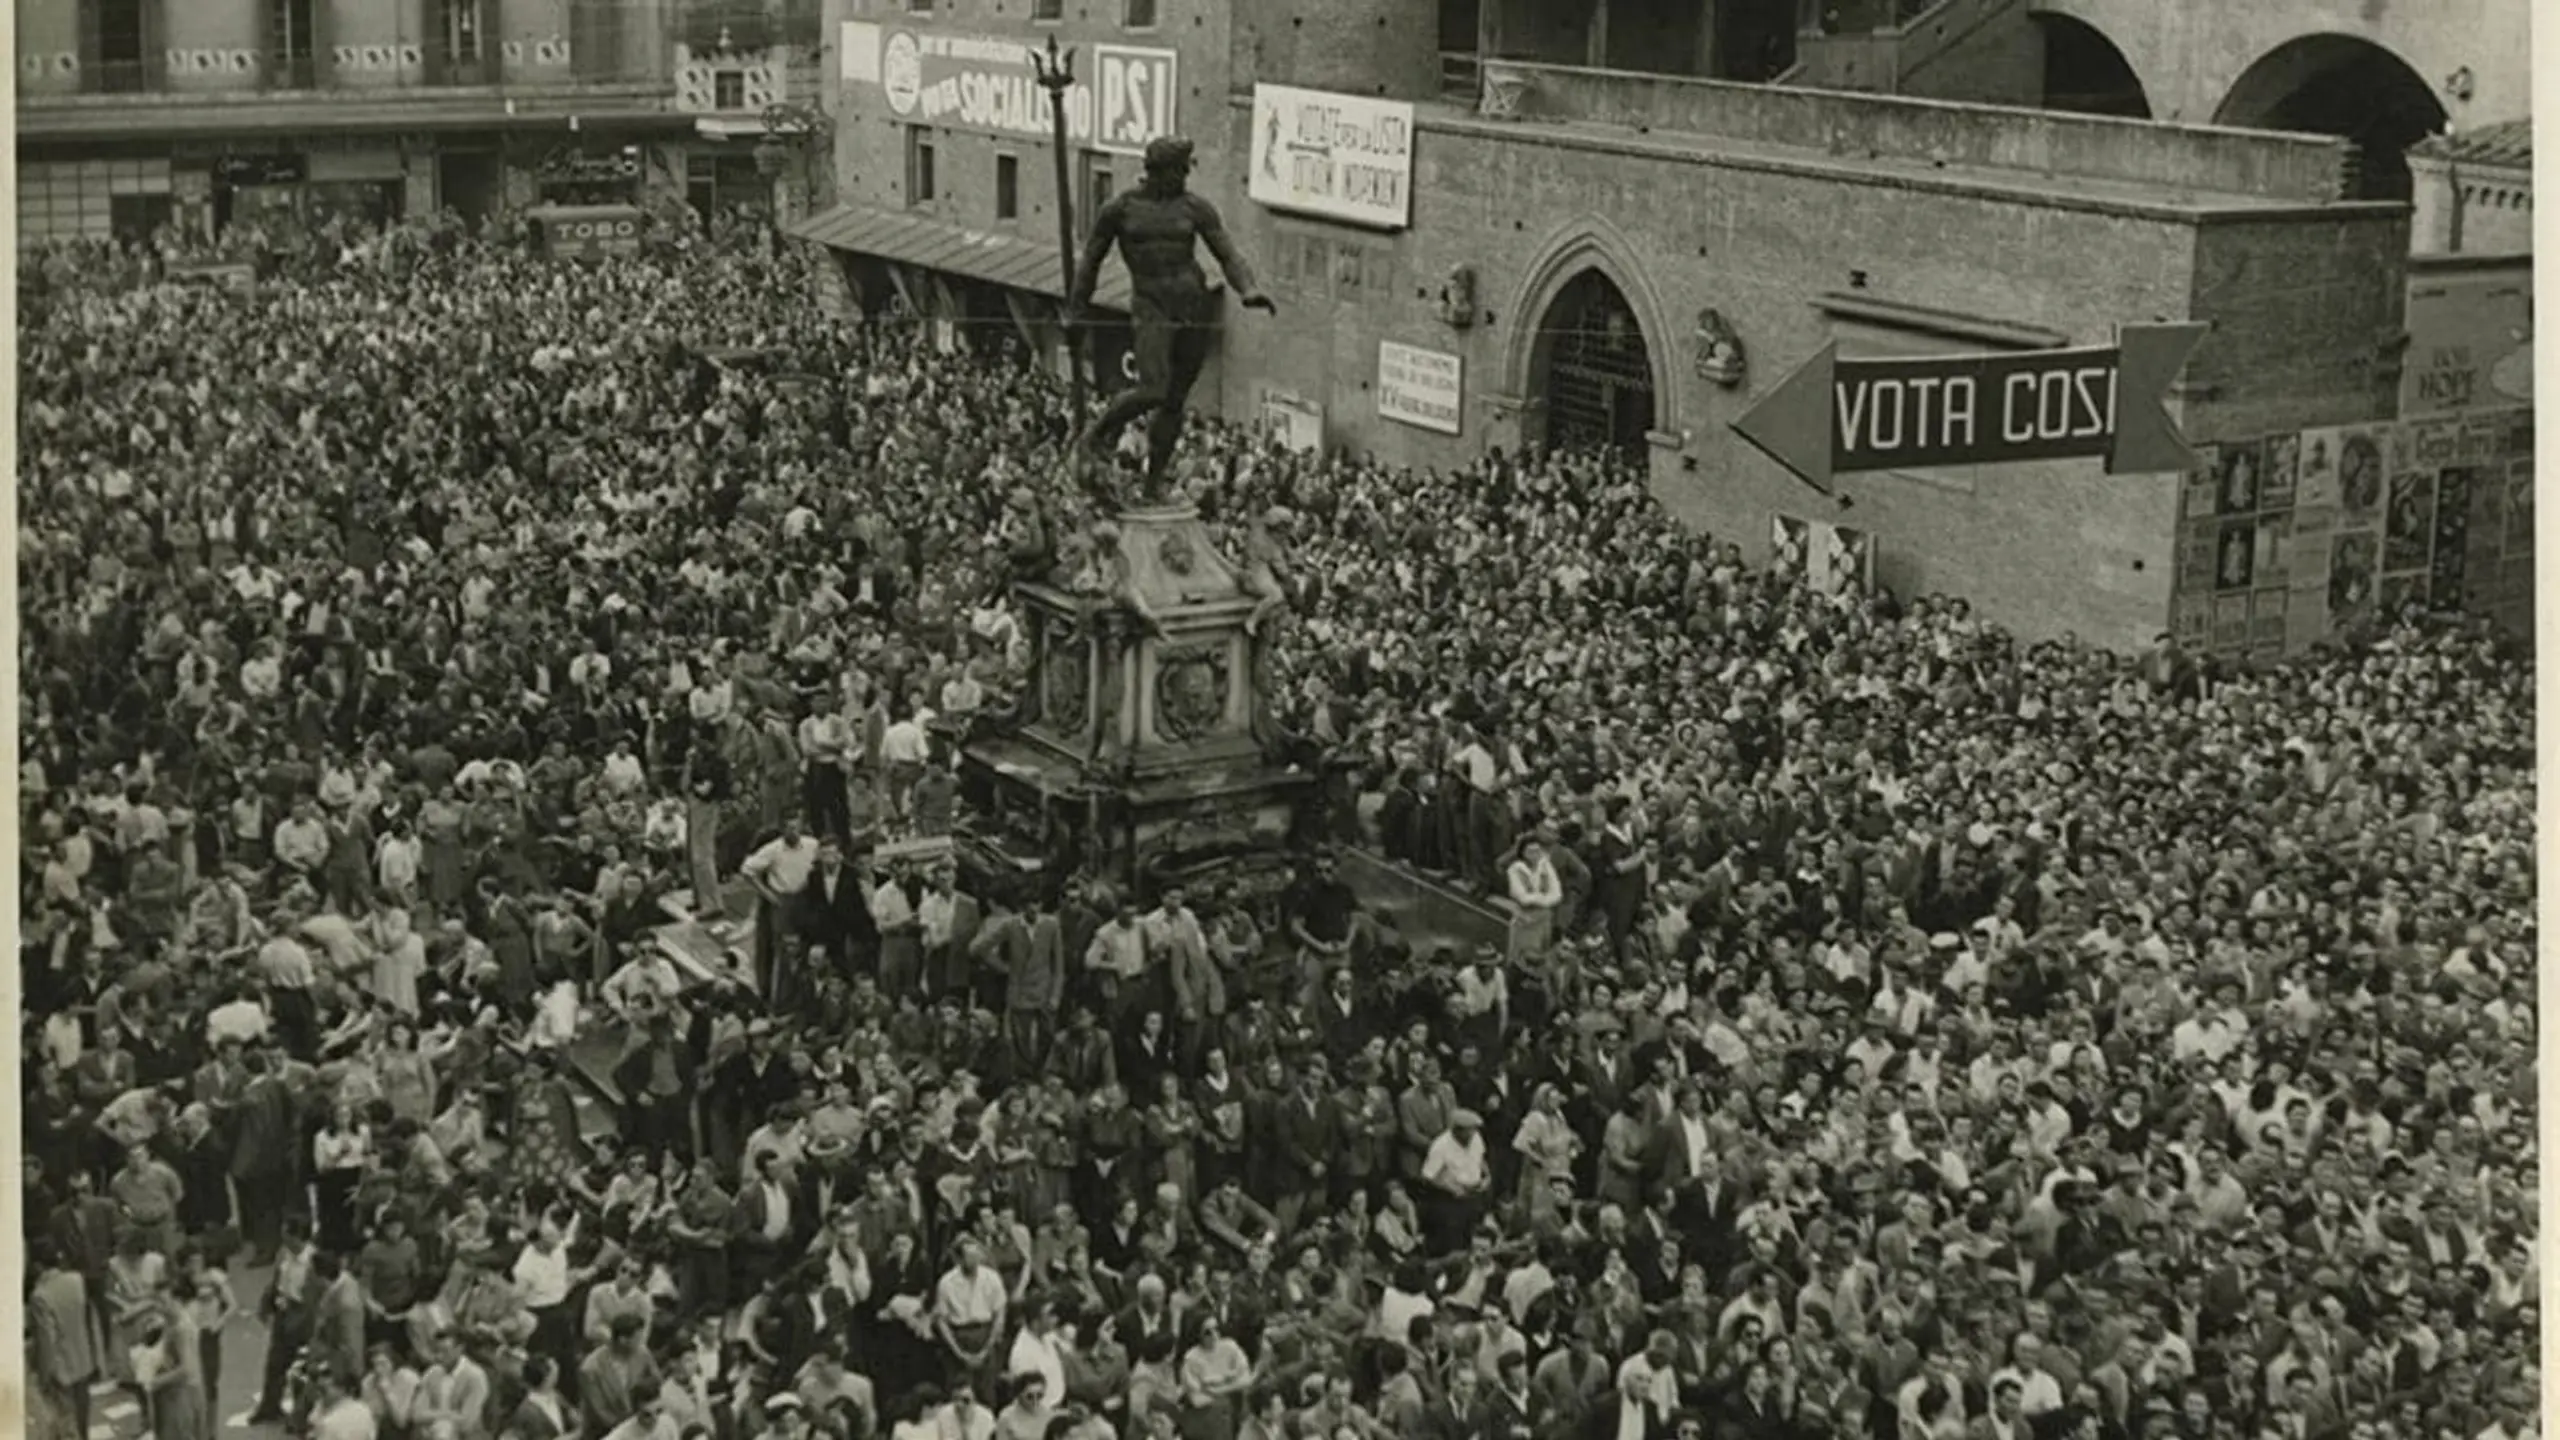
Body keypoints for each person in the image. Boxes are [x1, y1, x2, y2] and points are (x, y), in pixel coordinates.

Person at [1066, 135, 1277, 500]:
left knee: (1174, 401)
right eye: (1179, 170)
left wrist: (1248, 289)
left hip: (1193, 305)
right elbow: (1090, 263)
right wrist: (1075, 310)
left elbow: (1227, 253)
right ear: (1158, 172)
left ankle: (1153, 483)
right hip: (1152, 306)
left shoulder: (1195, 208)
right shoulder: (1120, 209)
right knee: (1153, 387)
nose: (1184, 177)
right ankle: (1098, 432)